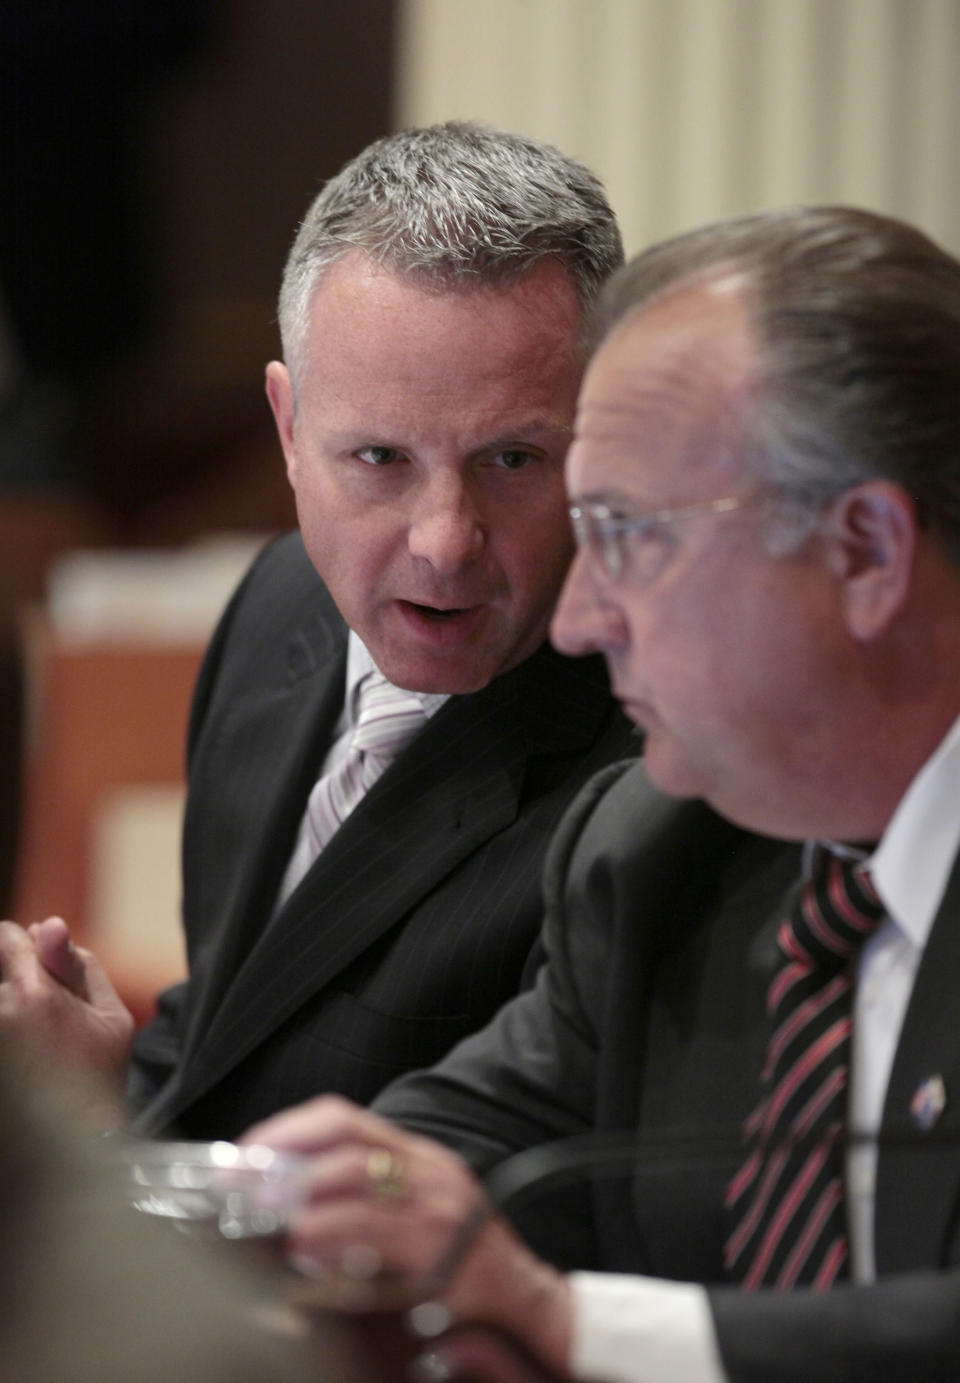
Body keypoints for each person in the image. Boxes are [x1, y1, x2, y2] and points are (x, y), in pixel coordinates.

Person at [239, 205, 960, 1383]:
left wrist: (574, 1330)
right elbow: (437, 1167)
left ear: (868, 554)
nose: (577, 618)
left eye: (626, 536)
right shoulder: (658, 849)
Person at [0, 121, 636, 1137]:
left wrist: (87, 1134)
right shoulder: (279, 600)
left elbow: (486, 1216)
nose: (443, 543)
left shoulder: (647, 778)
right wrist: (108, 1069)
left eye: (512, 460)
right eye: (380, 458)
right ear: (290, 430)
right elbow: (228, 1052)